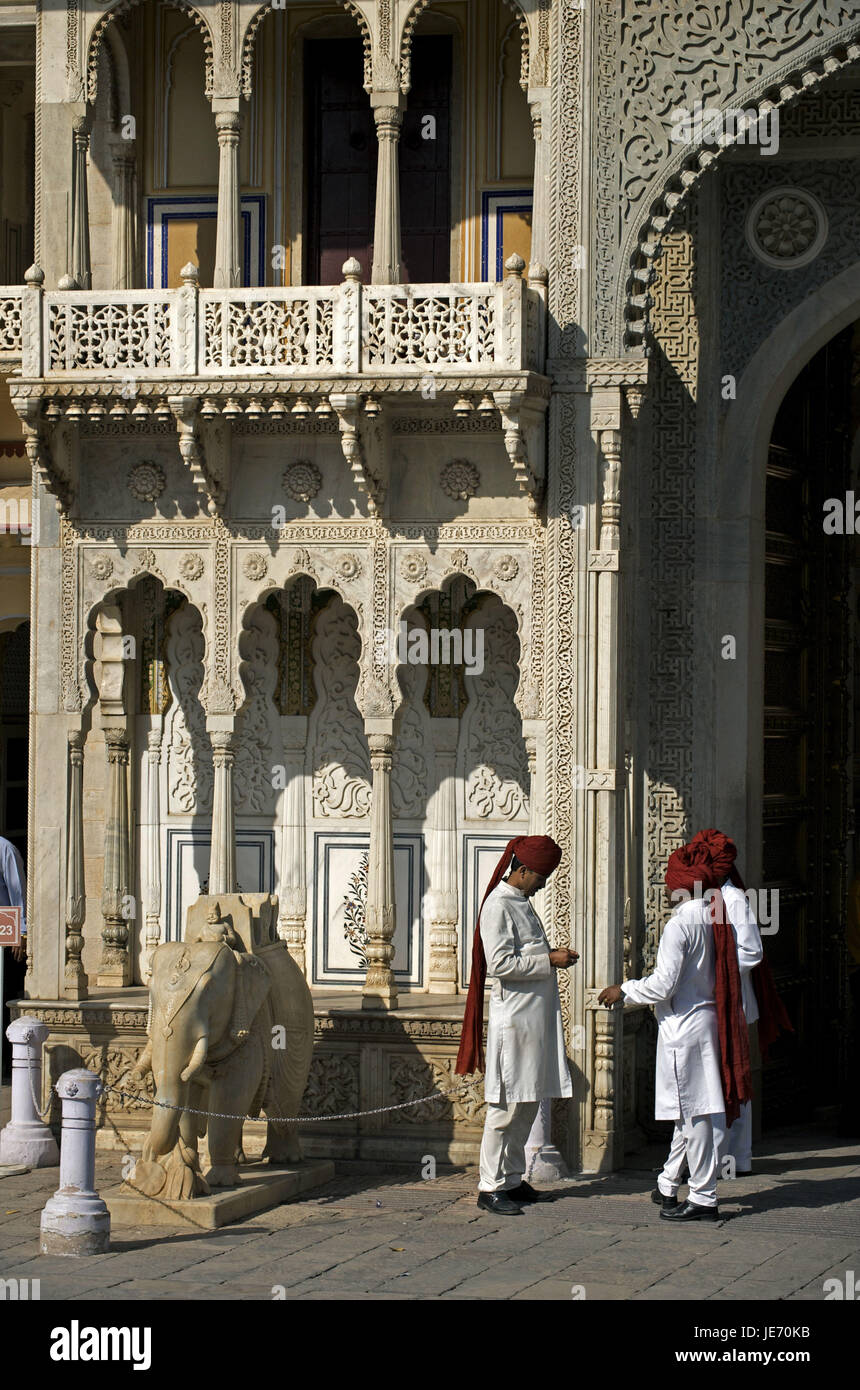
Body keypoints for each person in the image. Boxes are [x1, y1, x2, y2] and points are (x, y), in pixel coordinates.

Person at [599, 833, 752, 1222]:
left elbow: (663, 985)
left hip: (685, 1029)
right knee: (695, 1114)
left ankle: (703, 1196)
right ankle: (669, 1184)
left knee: (696, 1116)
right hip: (706, 1023)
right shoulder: (715, 916)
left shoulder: (681, 924)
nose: (667, 891)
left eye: (669, 883)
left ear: (681, 886)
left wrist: (624, 990)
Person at [456, 834, 577, 1216]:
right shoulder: (498, 905)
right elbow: (500, 964)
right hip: (514, 1024)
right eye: (539, 877)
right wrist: (549, 960)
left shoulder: (520, 902)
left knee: (527, 1102)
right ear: (522, 871)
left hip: (532, 1022)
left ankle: (511, 1178)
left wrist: (549, 956)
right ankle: (490, 1186)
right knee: (505, 1109)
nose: (542, 884)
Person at [687, 829, 762, 1174]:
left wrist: (718, 970)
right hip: (713, 1003)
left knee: (735, 1079)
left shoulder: (731, 899)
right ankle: (718, 1158)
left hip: (733, 1003)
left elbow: (752, 951)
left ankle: (736, 1159)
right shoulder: (705, 898)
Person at [0, 835, 26, 1078]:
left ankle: (5, 1062)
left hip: (4, 940)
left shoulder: (5, 849)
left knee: (3, 998)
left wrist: (21, 932)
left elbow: (17, 891)